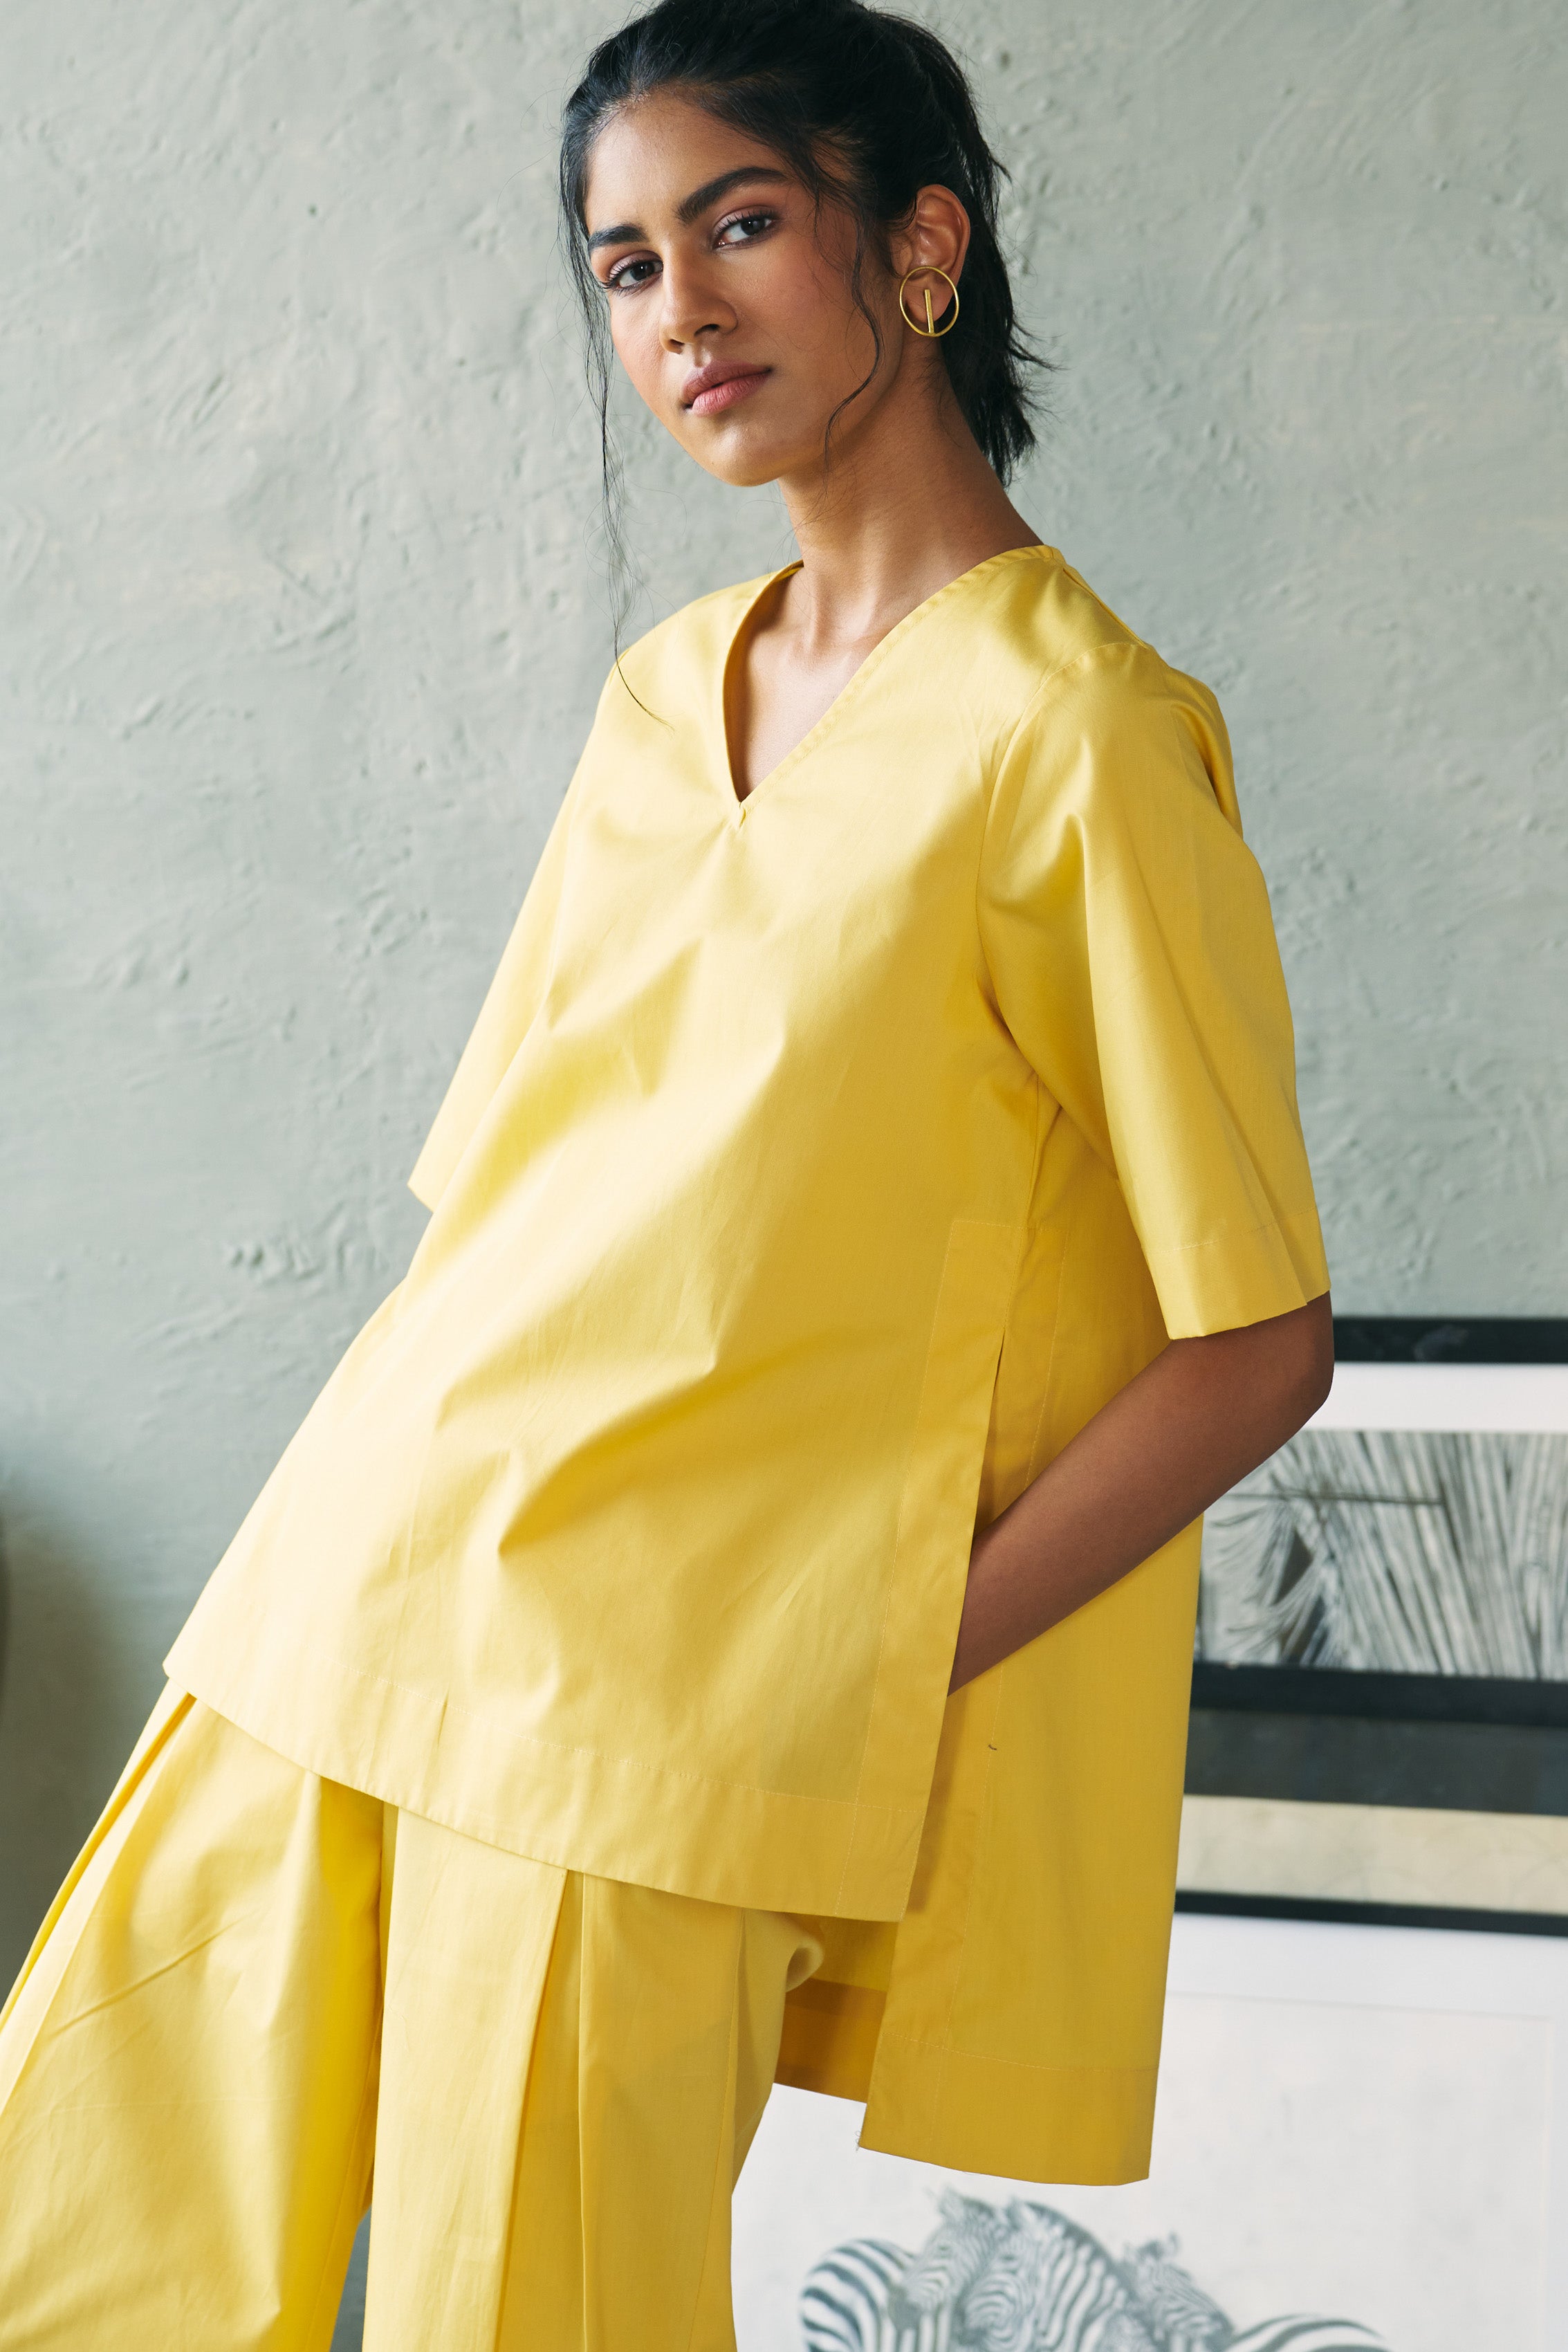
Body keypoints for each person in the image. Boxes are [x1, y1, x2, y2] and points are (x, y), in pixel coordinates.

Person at [0, 3, 1334, 2346]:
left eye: (737, 225)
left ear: (917, 250)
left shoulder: (1078, 740)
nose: (678, 312)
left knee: (522, 2312)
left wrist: (868, 1664)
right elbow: (517, 1220)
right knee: (69, 2235)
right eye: (623, 266)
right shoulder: (660, 690)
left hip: (653, 1724)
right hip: (355, 1588)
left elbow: (1254, 1347)